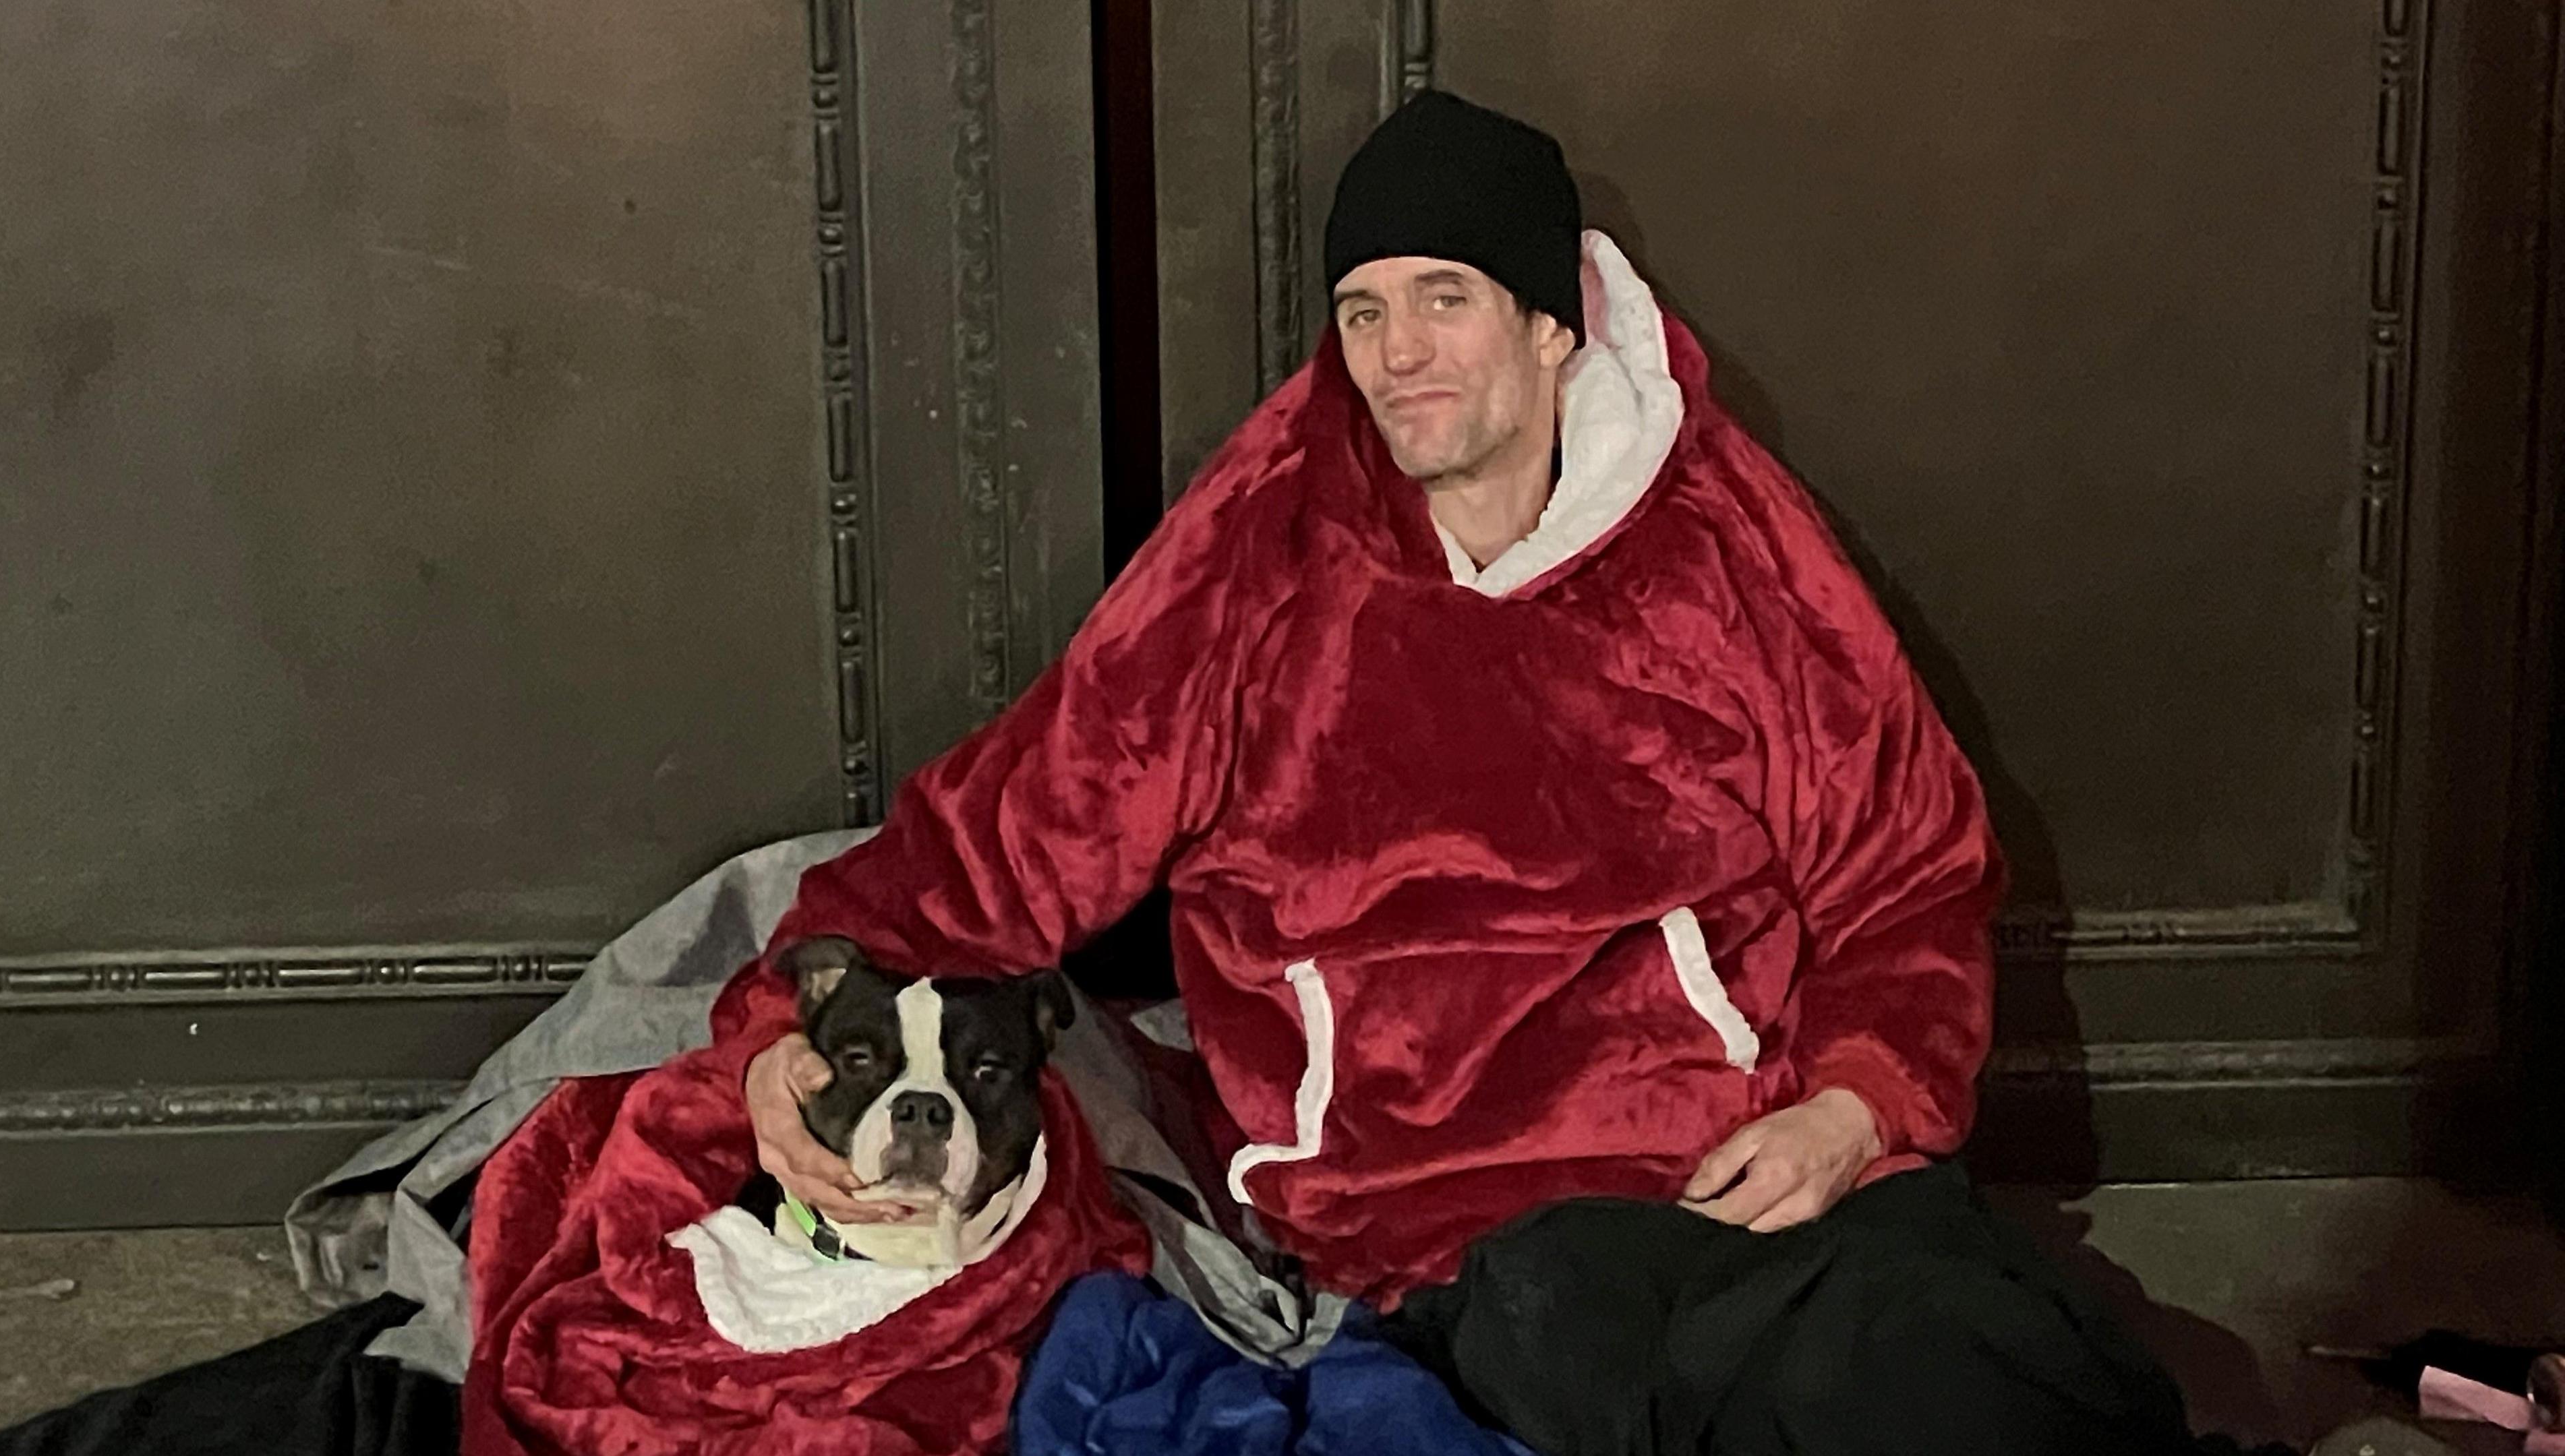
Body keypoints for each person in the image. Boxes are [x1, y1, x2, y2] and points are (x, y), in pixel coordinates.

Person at [739, 92, 2228, 1455]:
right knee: (1630, 1334)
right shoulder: (1264, 547)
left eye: (1443, 301)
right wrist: (779, 1034)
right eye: (1363, 310)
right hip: (1446, 1223)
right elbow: (1010, 837)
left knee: (1949, 1324)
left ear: (1552, 325)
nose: (1395, 356)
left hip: (1748, 1174)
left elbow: (1908, 879)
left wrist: (1854, 1106)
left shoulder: (1729, 545)